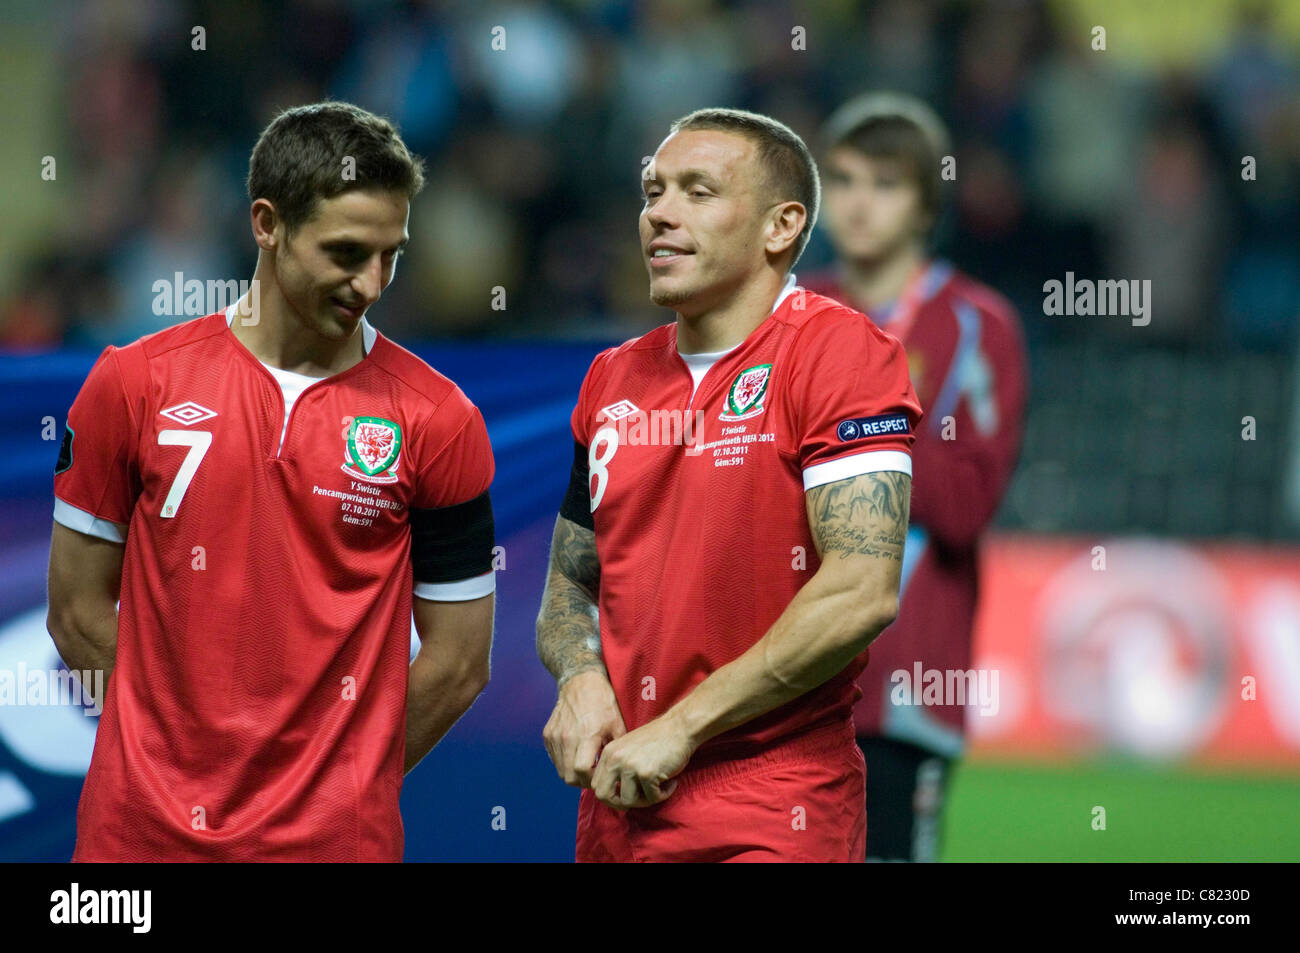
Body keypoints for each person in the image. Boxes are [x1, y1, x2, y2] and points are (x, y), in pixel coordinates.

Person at [46, 102, 497, 862]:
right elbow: (77, 609)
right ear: (267, 223)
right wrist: (167, 756)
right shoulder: (132, 383)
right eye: (348, 252)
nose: (372, 282)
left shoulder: (440, 420)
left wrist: (338, 782)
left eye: (393, 254)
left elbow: (457, 661)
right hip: (136, 843)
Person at [536, 107, 922, 862]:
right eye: (653, 192)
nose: (659, 215)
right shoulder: (611, 378)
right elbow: (570, 579)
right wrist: (580, 677)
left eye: (698, 192)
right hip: (622, 797)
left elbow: (862, 589)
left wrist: (681, 728)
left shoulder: (842, 356)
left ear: (781, 227)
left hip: (771, 803)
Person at [802, 92, 1028, 861]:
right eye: (846, 181)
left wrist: (856, 422)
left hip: (910, 677)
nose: (861, 205)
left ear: (928, 201)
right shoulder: (788, 312)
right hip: (786, 671)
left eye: (886, 183)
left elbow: (966, 504)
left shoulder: (977, 324)